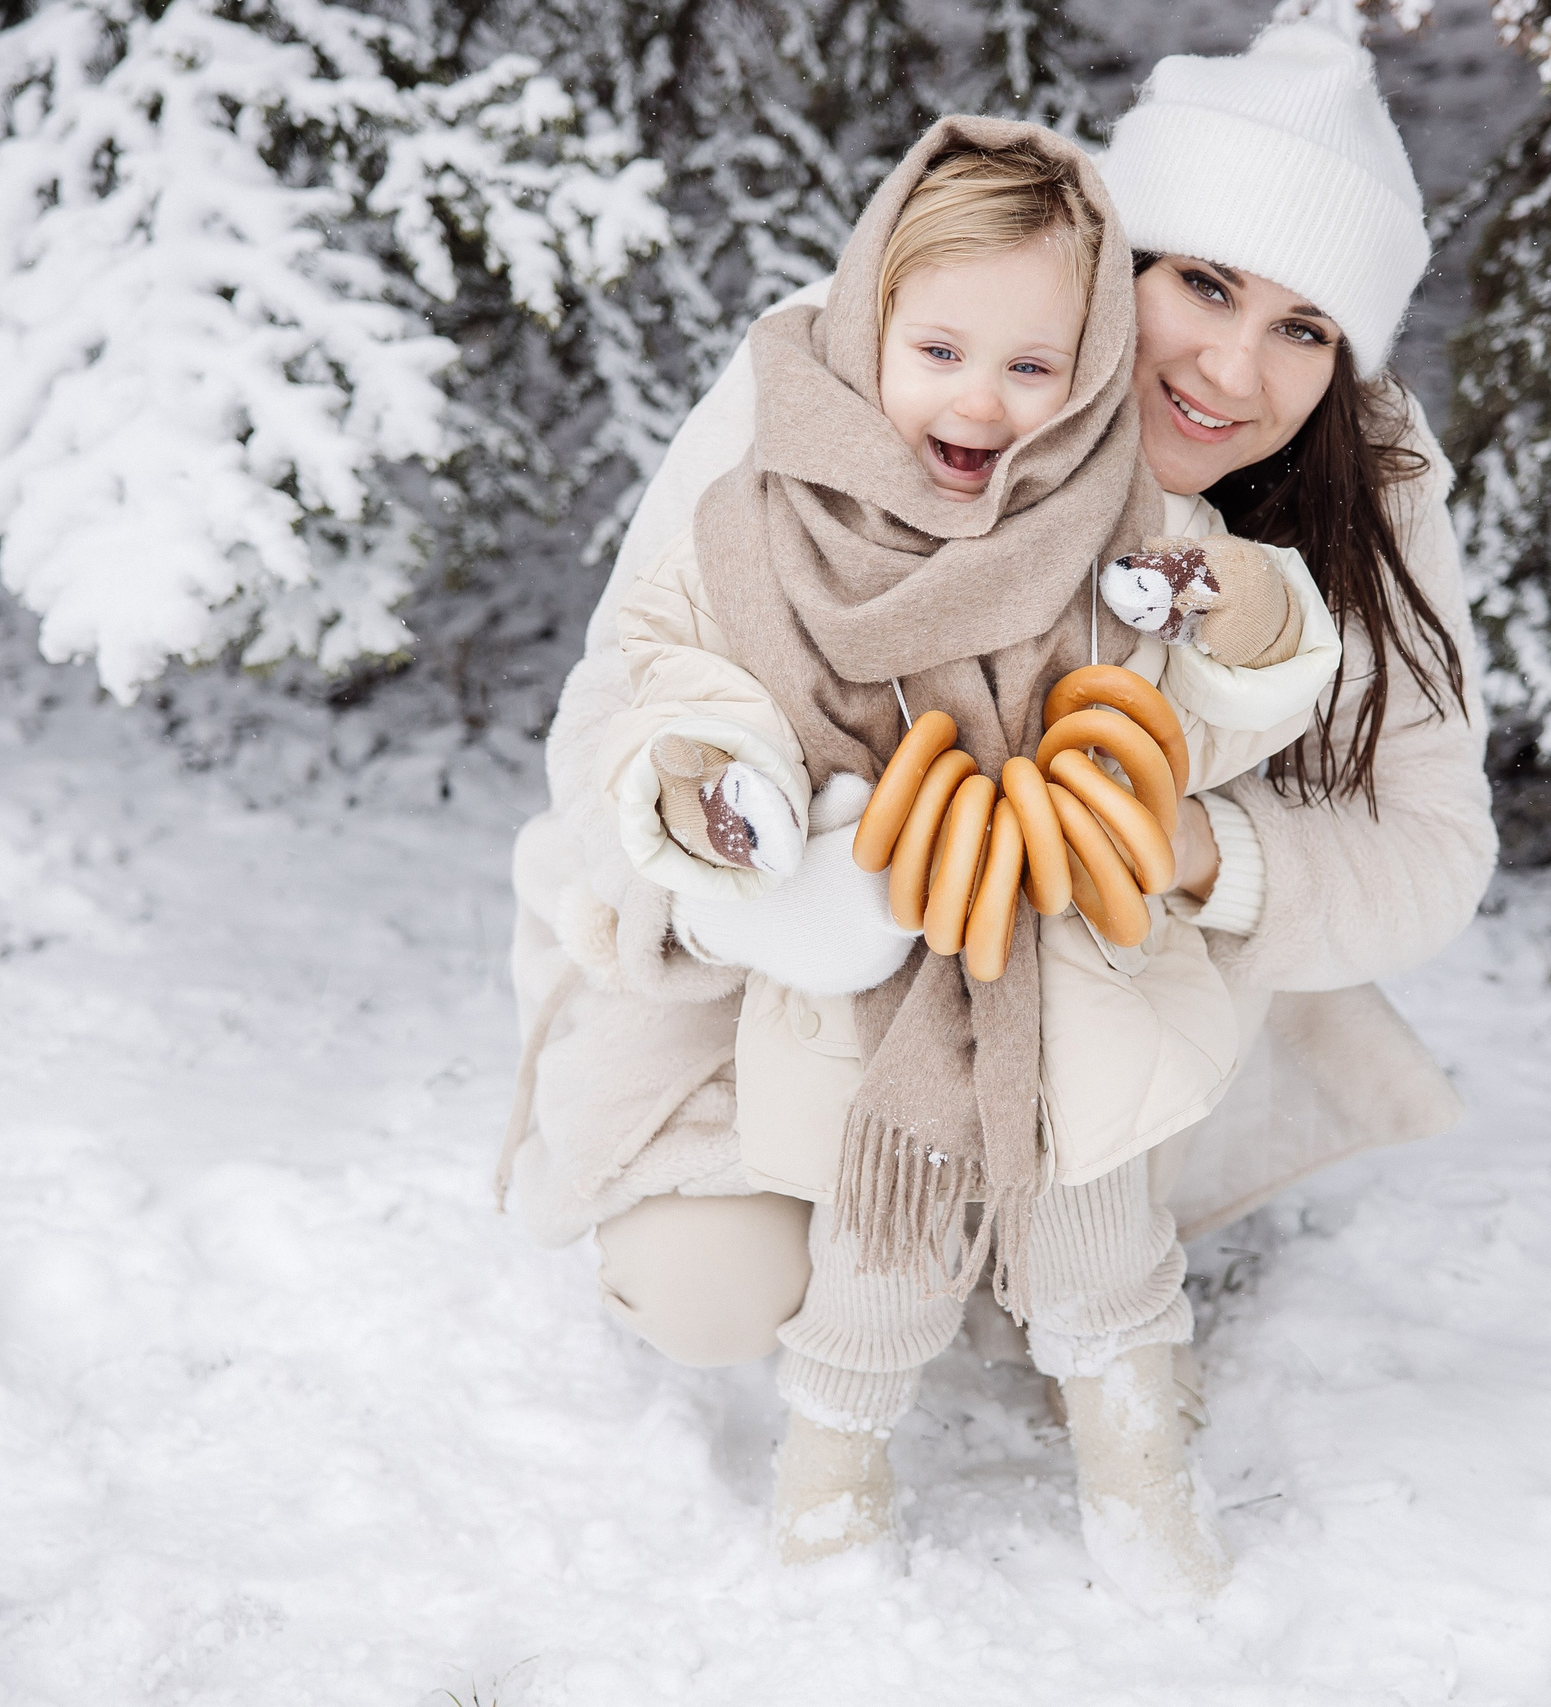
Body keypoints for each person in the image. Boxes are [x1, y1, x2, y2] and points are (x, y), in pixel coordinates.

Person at [501, 13, 1495, 1590]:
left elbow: (1426, 844)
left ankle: (1080, 1303)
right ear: (1109, 260)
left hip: (1097, 965)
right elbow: (641, 691)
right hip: (798, 979)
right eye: (1203, 283)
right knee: (715, 1287)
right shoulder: (871, 370)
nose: (1236, 369)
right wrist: (770, 857)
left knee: (1094, 1234)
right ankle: (868, 1323)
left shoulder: (1349, 485)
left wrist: (1195, 846)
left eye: (1306, 328)